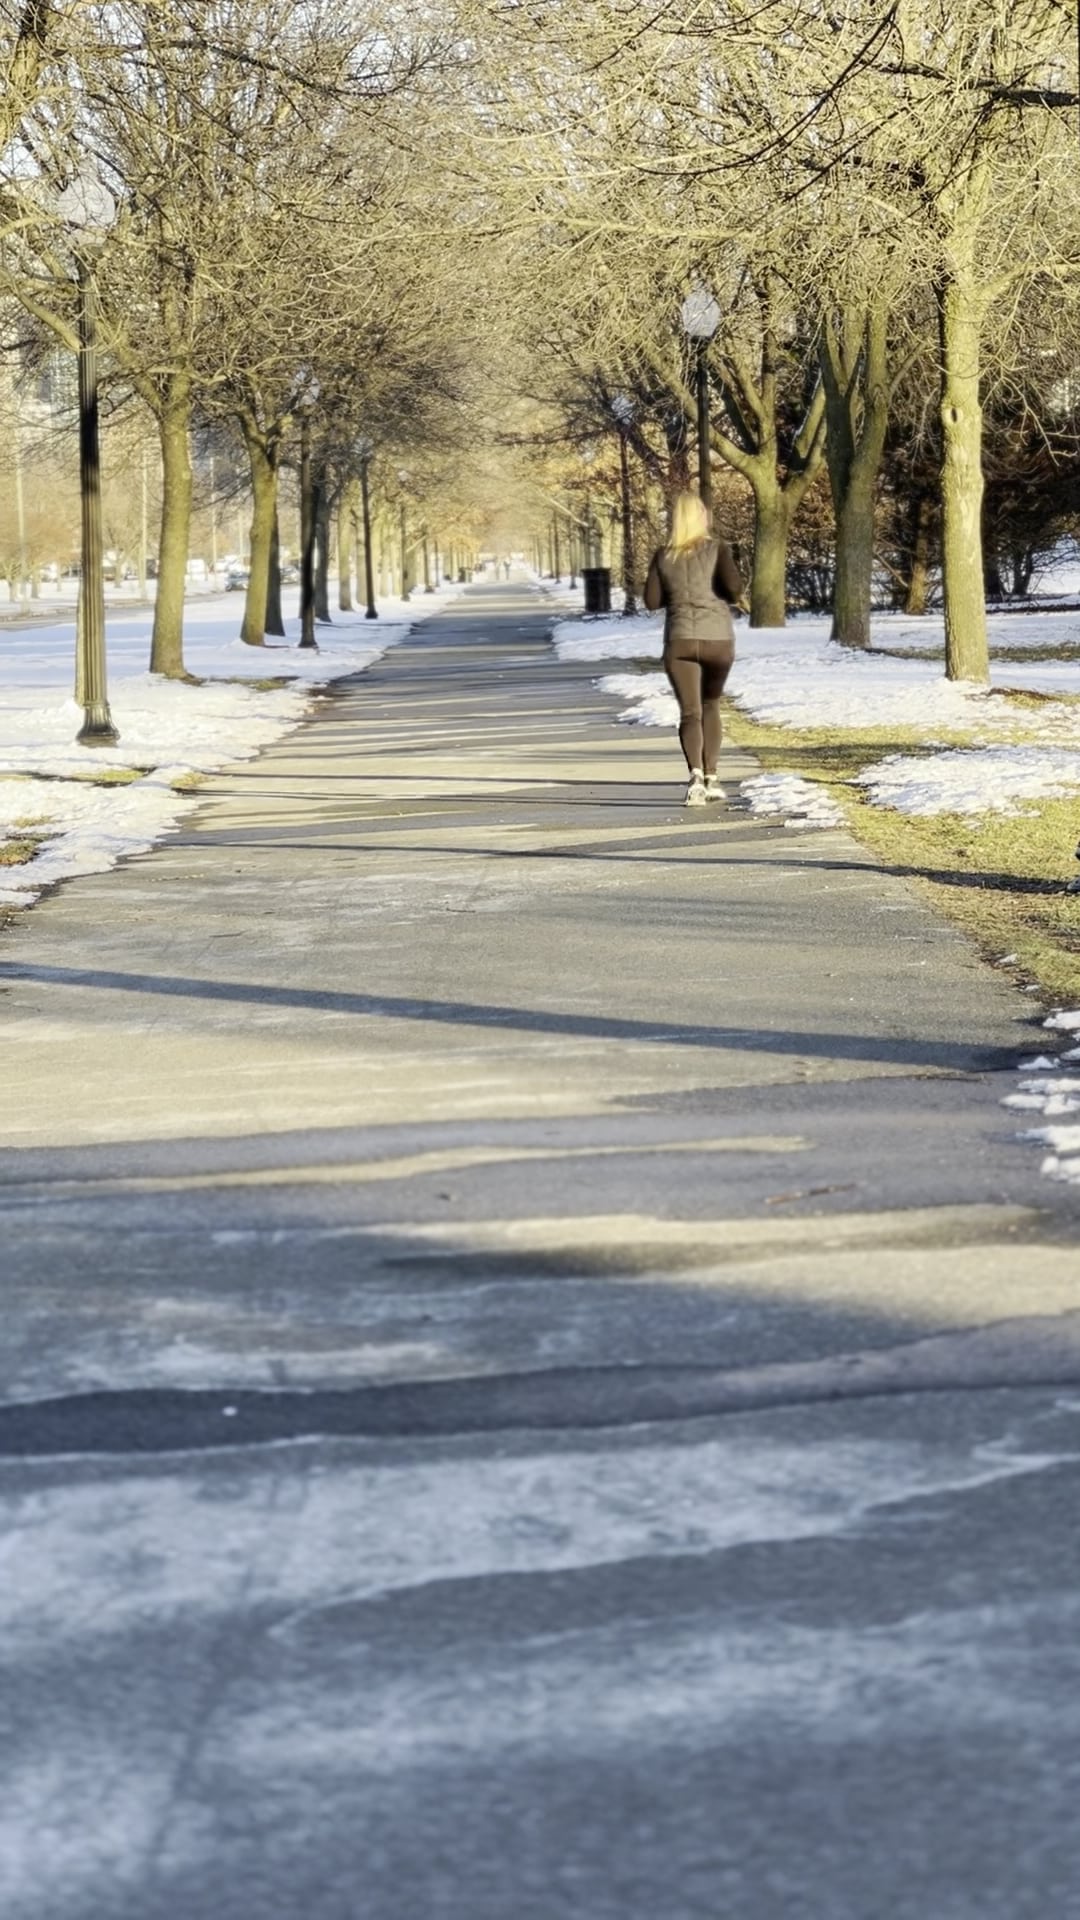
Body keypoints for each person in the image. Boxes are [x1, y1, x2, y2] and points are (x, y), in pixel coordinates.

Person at [643, 490, 745, 807]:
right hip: (717, 641)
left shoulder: (664, 556)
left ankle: (696, 777)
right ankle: (713, 776)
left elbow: (651, 601)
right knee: (711, 705)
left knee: (691, 712)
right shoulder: (718, 551)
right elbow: (735, 590)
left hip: (680, 640)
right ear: (701, 518)